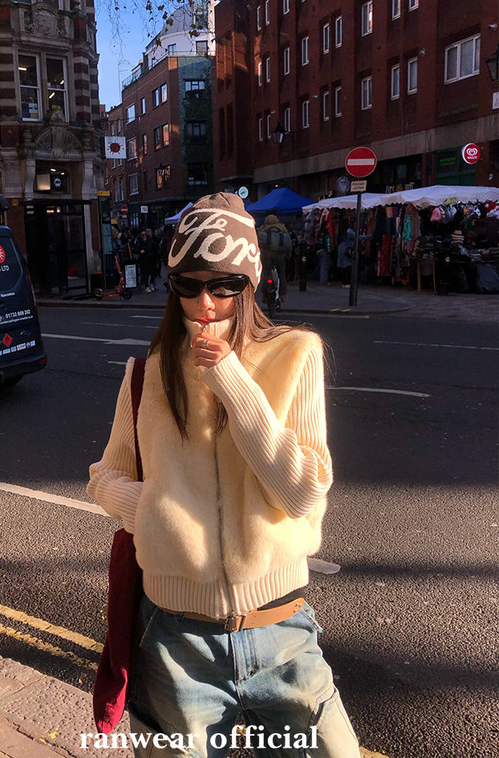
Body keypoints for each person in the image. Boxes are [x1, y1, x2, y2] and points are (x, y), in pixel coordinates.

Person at [87, 192, 360, 758]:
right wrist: (154, 509)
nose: (205, 302)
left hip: (282, 631)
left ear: (250, 283)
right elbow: (103, 477)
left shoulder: (296, 354)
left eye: (224, 285)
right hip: (176, 641)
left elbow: (302, 493)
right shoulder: (145, 374)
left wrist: (232, 380)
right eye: (188, 285)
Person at [258, 211, 292, 302]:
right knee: (281, 275)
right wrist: (288, 255)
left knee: (266, 274)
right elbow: (289, 243)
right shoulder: (282, 228)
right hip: (279, 255)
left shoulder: (262, 229)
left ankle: (264, 294)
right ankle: (283, 294)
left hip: (266, 255)